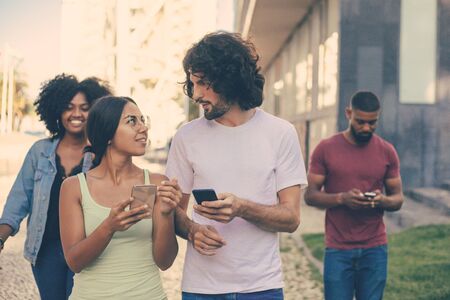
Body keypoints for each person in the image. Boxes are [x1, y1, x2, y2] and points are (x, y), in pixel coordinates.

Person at [165, 31, 307, 299]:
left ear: (230, 79)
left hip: (262, 287)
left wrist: (242, 208)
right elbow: (173, 212)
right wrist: (193, 230)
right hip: (201, 289)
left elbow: (291, 219)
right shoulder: (186, 137)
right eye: (193, 84)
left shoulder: (281, 133)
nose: (196, 94)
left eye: (204, 83)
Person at [0, 74, 111, 299]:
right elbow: (18, 200)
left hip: (87, 250)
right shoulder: (39, 152)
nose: (77, 114)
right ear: (57, 111)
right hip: (46, 252)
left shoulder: (101, 154)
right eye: (69, 107)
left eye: (85, 107)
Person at [59, 96, 180, 300]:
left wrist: (167, 215)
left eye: (143, 120)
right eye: (132, 121)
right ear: (107, 133)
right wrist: (109, 227)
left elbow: (165, 262)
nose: (143, 128)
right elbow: (74, 262)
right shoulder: (74, 187)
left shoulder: (155, 183)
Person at [304, 91, 404, 300]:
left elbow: (397, 199)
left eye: (372, 122)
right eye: (360, 121)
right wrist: (341, 198)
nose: (366, 127)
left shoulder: (387, 151)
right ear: (348, 113)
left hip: (375, 247)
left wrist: (382, 200)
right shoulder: (326, 148)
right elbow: (310, 195)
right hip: (338, 248)